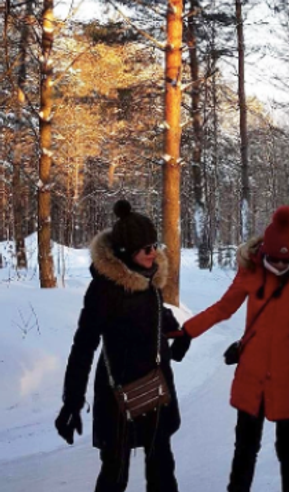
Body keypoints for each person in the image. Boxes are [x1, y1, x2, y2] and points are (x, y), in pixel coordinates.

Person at [173, 206, 289, 492]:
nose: (279, 266)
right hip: (253, 372)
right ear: (264, 250)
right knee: (245, 448)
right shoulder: (250, 272)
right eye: (274, 259)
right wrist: (188, 332)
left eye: (285, 260)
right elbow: (223, 308)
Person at [59, 200, 186, 492]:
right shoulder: (104, 290)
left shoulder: (150, 280)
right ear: (127, 253)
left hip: (155, 388)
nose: (153, 252)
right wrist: (72, 400)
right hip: (118, 397)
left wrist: (177, 334)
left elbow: (156, 313)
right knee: (115, 474)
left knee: (163, 471)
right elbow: (83, 345)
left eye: (154, 244)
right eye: (145, 248)